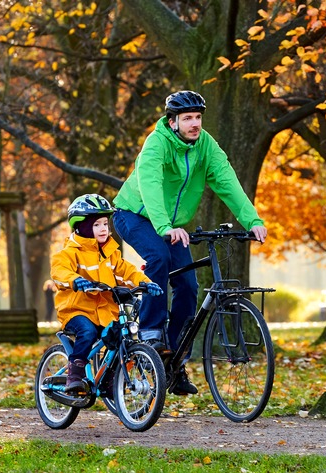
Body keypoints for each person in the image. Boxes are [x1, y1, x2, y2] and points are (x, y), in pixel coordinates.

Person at [113, 90, 267, 395]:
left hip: (172, 226)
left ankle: (174, 359)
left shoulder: (206, 145)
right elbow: (150, 185)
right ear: (173, 122)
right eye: (187, 119)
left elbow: (226, 181)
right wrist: (164, 226)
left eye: (197, 117)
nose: (194, 124)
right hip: (135, 215)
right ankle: (151, 331)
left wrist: (253, 220)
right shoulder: (156, 144)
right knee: (159, 257)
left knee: (188, 285)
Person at [51, 194, 163, 393]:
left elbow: (128, 271)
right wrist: (75, 280)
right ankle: (74, 375)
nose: (104, 229)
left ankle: (110, 378)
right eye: (97, 225)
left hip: (105, 310)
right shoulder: (69, 253)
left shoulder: (111, 253)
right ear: (82, 227)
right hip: (76, 310)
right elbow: (60, 272)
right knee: (87, 332)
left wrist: (147, 283)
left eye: (105, 224)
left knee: (120, 335)